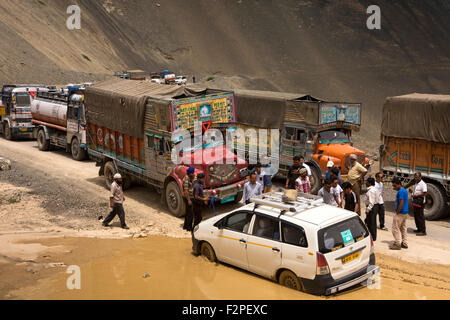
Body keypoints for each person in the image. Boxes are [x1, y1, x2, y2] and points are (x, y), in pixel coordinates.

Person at [390, 177, 409, 250]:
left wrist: (397, 212)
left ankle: (397, 244)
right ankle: (404, 243)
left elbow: (401, 202)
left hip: (400, 213)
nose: (394, 187)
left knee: (395, 228)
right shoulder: (404, 190)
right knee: (403, 228)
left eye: (394, 186)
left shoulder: (400, 192)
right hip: (405, 212)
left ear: (398, 184)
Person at [182, 167, 196, 232]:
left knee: (188, 212)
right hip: (188, 197)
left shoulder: (190, 178)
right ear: (191, 173)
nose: (194, 174)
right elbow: (186, 191)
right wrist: (188, 200)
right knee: (190, 213)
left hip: (191, 197)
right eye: (193, 173)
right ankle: (189, 228)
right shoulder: (186, 179)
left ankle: (185, 226)